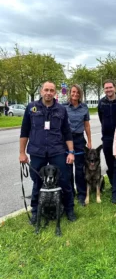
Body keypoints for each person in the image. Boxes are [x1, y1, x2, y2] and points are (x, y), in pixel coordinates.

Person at [19, 81, 76, 224]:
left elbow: (67, 132)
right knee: (38, 181)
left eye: (51, 90)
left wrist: (71, 152)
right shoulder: (31, 108)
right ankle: (35, 212)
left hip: (57, 150)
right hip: (37, 152)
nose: (49, 93)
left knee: (64, 180)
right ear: (41, 91)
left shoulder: (61, 109)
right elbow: (24, 131)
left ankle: (69, 210)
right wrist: (22, 153)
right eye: (46, 90)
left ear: (55, 92)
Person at [98, 79, 116, 204]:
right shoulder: (101, 103)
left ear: (115, 88)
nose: (108, 90)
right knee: (110, 165)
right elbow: (101, 118)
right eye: (106, 88)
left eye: (110, 87)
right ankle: (114, 184)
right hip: (107, 138)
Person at [65, 84, 92, 206]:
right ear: (70, 92)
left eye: (78, 93)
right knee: (68, 169)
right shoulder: (63, 107)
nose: (75, 94)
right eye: (73, 92)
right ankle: (70, 193)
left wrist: (89, 141)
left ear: (80, 94)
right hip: (66, 140)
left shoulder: (84, 107)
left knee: (80, 169)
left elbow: (86, 125)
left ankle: (82, 194)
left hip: (79, 140)